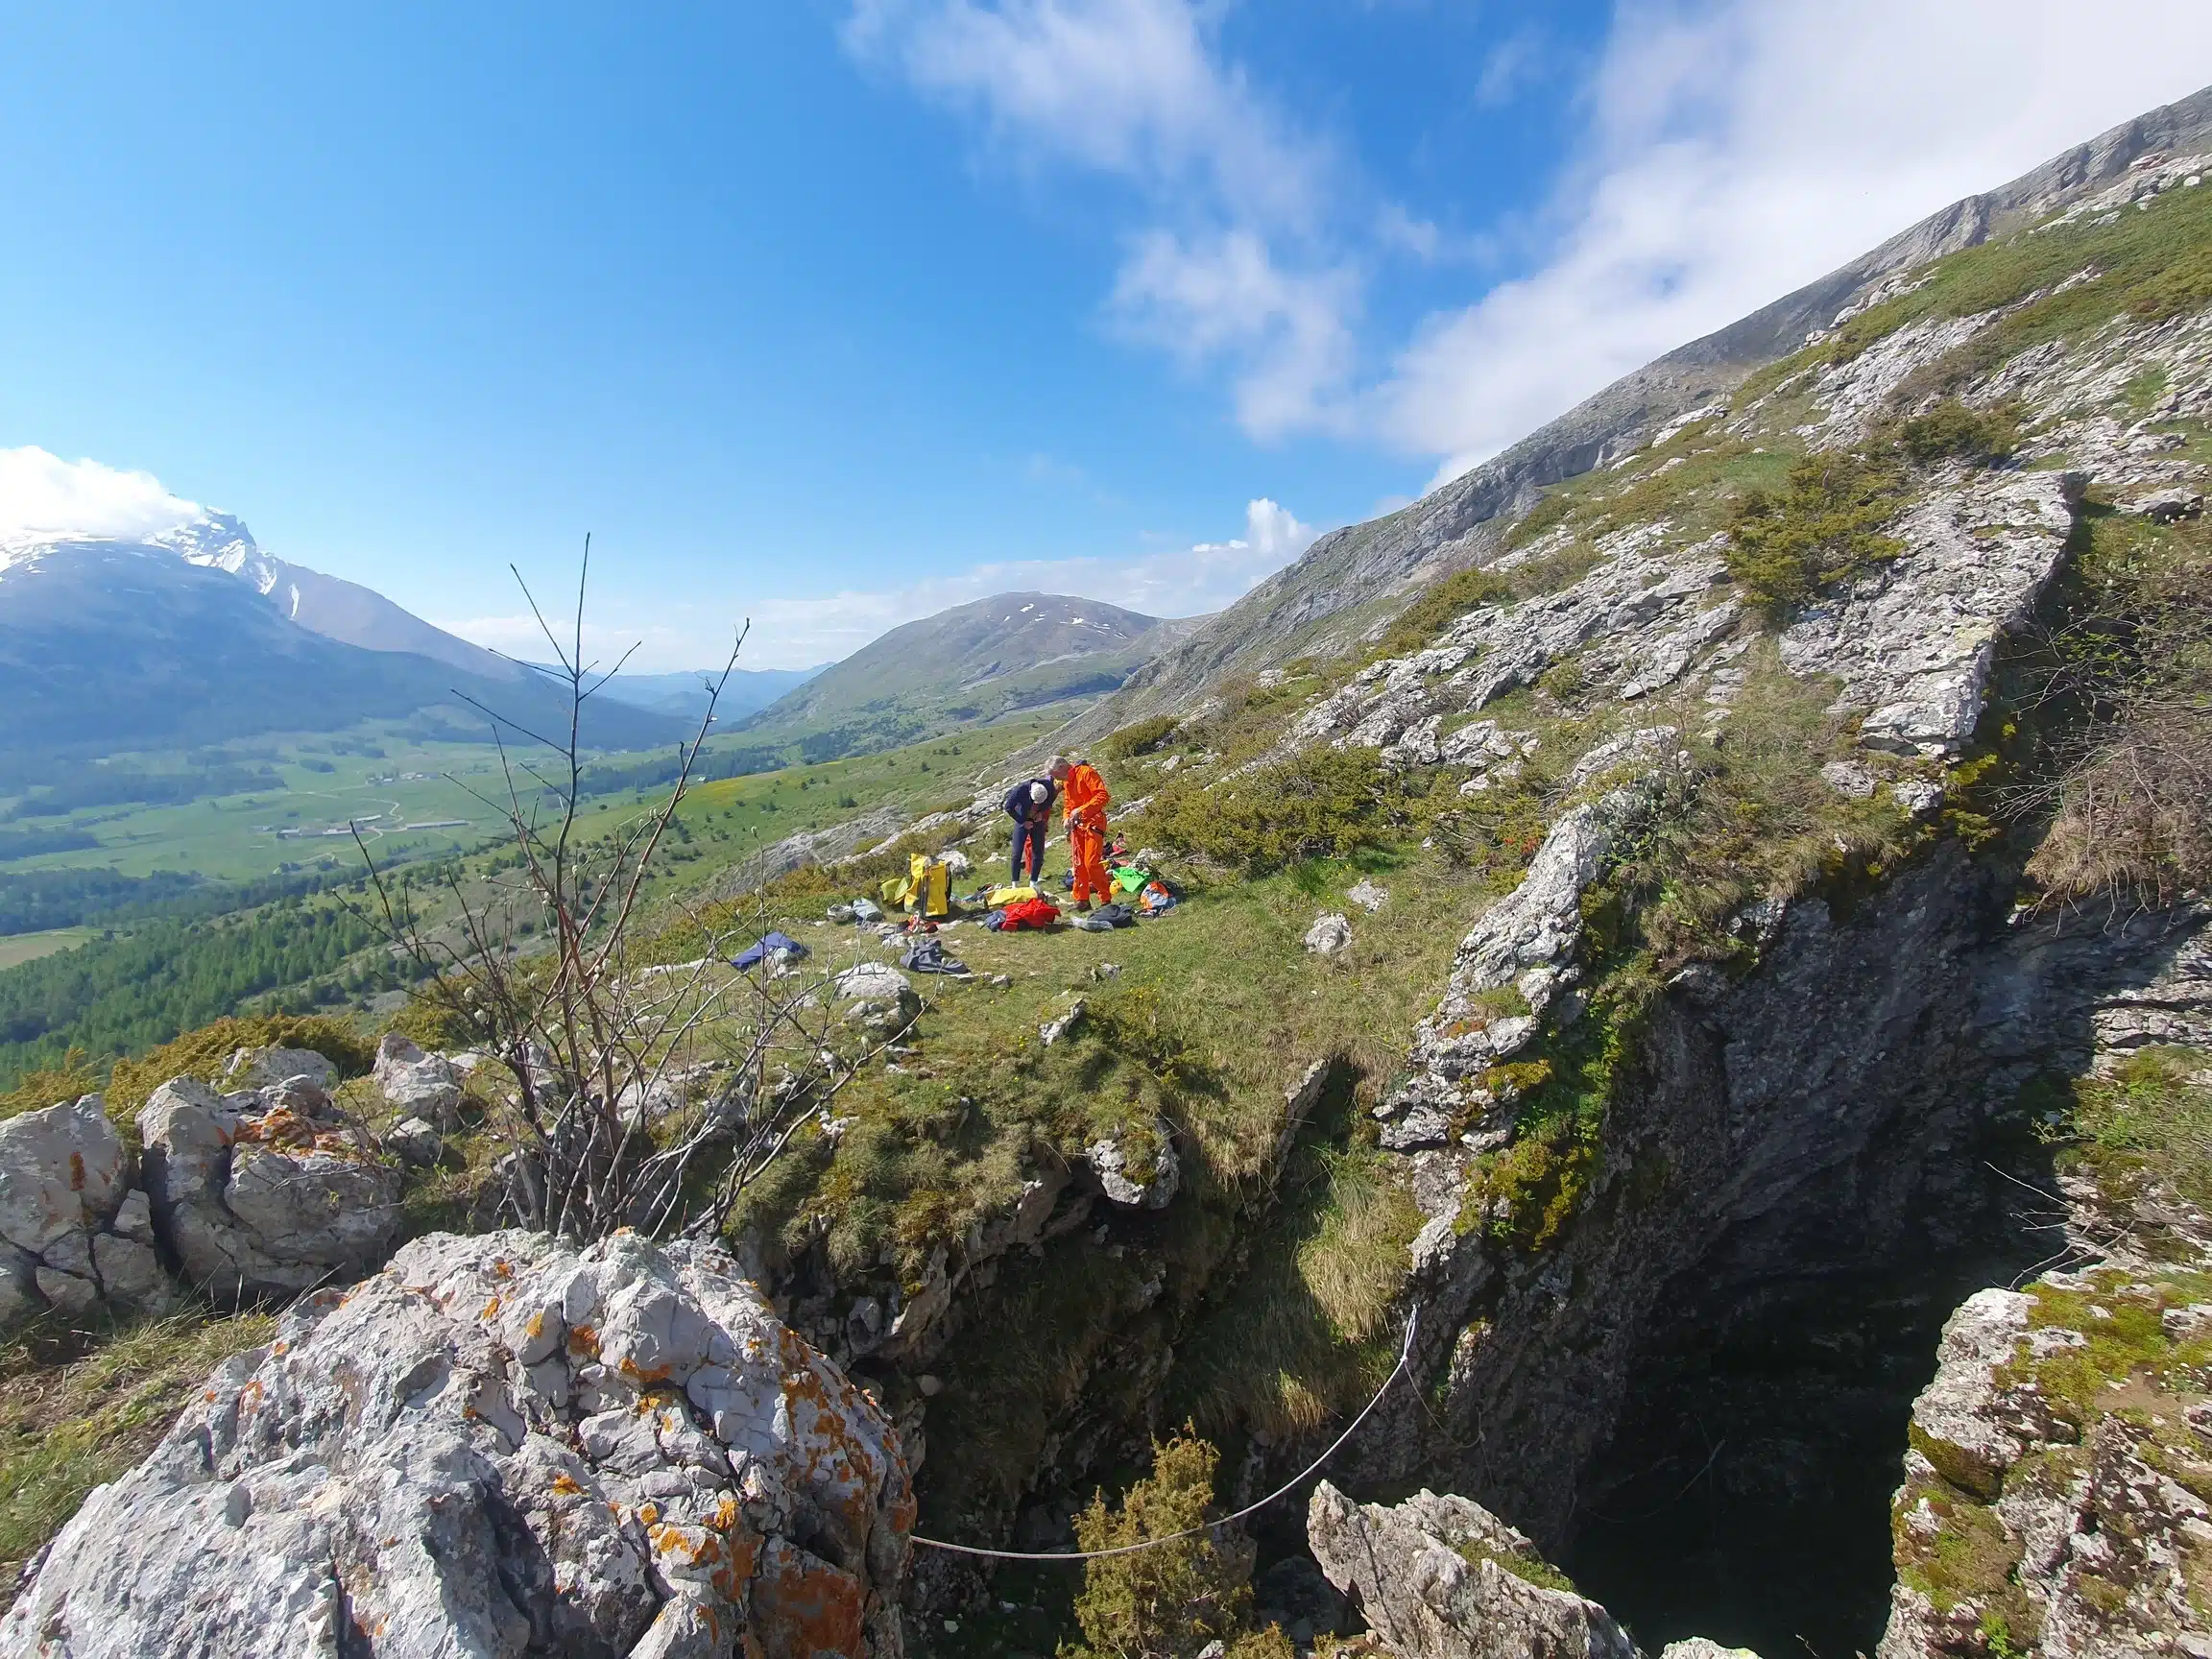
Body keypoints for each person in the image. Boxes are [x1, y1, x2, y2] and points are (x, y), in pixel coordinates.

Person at [1051, 754, 1111, 912]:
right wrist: (1066, 818)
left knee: (1091, 863)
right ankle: (1082, 900)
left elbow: (1102, 796)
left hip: (1094, 822)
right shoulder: (1067, 781)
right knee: (1078, 865)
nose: (1056, 779)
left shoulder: (1086, 772)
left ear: (1062, 767)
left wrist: (1081, 809)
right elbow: (1068, 804)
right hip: (1077, 827)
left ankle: (1105, 900)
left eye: (1055, 775)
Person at [1003, 776, 1055, 885]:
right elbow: (1008, 807)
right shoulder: (1020, 790)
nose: (1036, 804)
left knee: (1038, 851)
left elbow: (1050, 799)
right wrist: (1023, 822)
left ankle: (1034, 881)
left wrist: (1041, 813)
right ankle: (1015, 883)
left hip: (1038, 820)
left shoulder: (1048, 785)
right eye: (1035, 802)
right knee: (1017, 853)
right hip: (1022, 819)